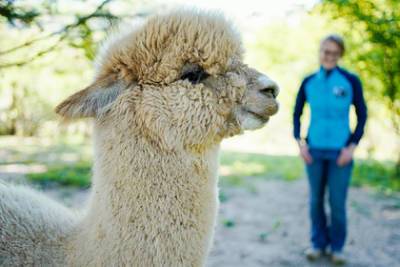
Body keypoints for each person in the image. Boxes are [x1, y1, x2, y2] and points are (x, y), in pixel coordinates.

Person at [293, 34, 367, 265]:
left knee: (337, 202)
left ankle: (337, 247)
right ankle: (317, 244)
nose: (329, 56)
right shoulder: (309, 81)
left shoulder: (350, 81)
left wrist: (351, 147)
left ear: (340, 55)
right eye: (326, 51)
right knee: (315, 201)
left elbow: (362, 115)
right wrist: (300, 143)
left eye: (334, 52)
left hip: (340, 154)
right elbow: (297, 113)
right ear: (320, 51)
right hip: (314, 152)